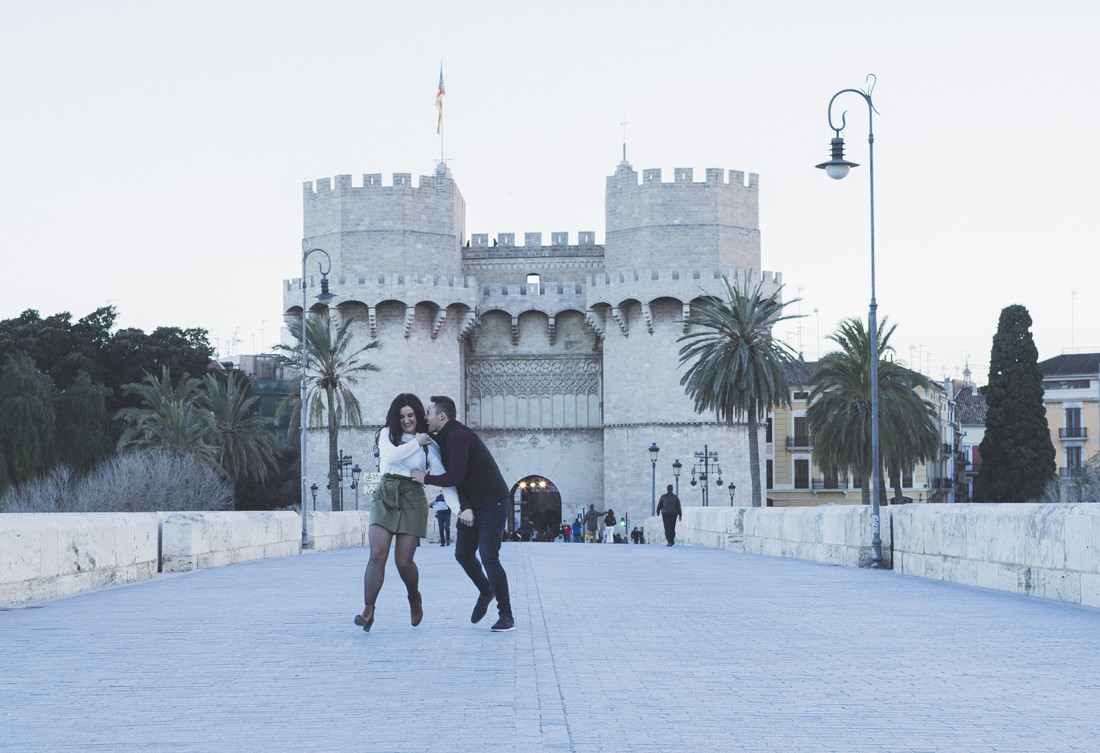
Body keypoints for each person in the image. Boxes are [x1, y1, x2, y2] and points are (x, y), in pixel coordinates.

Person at [411, 395, 515, 632]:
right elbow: (462, 481)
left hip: (493, 503)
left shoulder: (458, 435)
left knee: (489, 556)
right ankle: (486, 590)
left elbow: (456, 477)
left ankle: (507, 615)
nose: (425, 417)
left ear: (442, 416)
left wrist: (424, 478)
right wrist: (465, 507)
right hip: (474, 504)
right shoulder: (444, 437)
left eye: (428, 413)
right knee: (463, 554)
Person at [356, 393, 455, 632]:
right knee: (378, 553)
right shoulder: (386, 435)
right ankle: (368, 610)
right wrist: (415, 442)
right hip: (386, 493)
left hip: (413, 496)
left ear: (418, 415)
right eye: (401, 416)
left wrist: (460, 509)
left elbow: (443, 477)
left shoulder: (429, 443)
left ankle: (414, 597)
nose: (407, 420)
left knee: (403, 561)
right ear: (394, 417)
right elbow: (389, 457)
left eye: (410, 415)